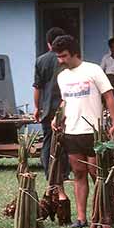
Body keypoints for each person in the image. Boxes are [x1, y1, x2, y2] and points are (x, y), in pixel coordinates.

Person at [53, 35, 114, 228]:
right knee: (79, 173)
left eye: (64, 56)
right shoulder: (62, 77)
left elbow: (108, 96)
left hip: (94, 131)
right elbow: (65, 101)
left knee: (96, 173)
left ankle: (102, 213)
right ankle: (81, 218)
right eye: (58, 56)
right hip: (72, 132)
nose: (61, 60)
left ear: (75, 53)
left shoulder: (93, 70)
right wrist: (56, 117)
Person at [33, 27, 68, 179]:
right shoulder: (67, 59)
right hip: (66, 107)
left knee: (48, 140)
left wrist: (37, 107)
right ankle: (64, 173)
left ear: (48, 43)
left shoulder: (40, 60)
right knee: (65, 141)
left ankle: (50, 173)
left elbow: (37, 87)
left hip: (47, 109)